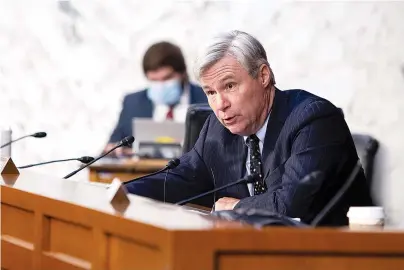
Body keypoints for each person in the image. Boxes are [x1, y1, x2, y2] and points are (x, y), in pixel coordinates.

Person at [125, 30, 373, 226]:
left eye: (230, 86)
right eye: (210, 92)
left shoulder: (313, 119)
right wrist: (123, 192)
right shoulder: (216, 127)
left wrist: (235, 207)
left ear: (263, 75)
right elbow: (181, 179)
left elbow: (291, 205)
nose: (220, 104)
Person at [104, 41, 207, 157]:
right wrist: (116, 150)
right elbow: (111, 147)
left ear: (182, 73)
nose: (161, 85)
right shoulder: (133, 103)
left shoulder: (207, 98)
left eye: (167, 78)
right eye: (154, 80)